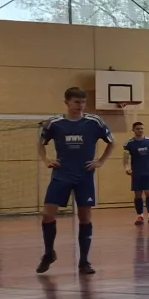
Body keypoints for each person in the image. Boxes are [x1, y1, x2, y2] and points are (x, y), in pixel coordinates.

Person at [37, 86, 113, 275]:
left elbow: (111, 142)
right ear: (67, 102)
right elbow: (40, 143)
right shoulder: (54, 123)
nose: (80, 106)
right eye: (76, 102)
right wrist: (46, 160)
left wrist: (100, 161)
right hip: (61, 175)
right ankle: (49, 253)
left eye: (83, 102)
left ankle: (84, 261)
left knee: (85, 217)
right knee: (47, 214)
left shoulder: (94, 122)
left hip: (84, 176)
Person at [124, 120, 149, 224]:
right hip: (137, 173)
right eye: (138, 129)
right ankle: (140, 216)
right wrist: (126, 167)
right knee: (138, 195)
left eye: (141, 128)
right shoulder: (129, 144)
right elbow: (125, 158)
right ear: (133, 130)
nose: (140, 130)